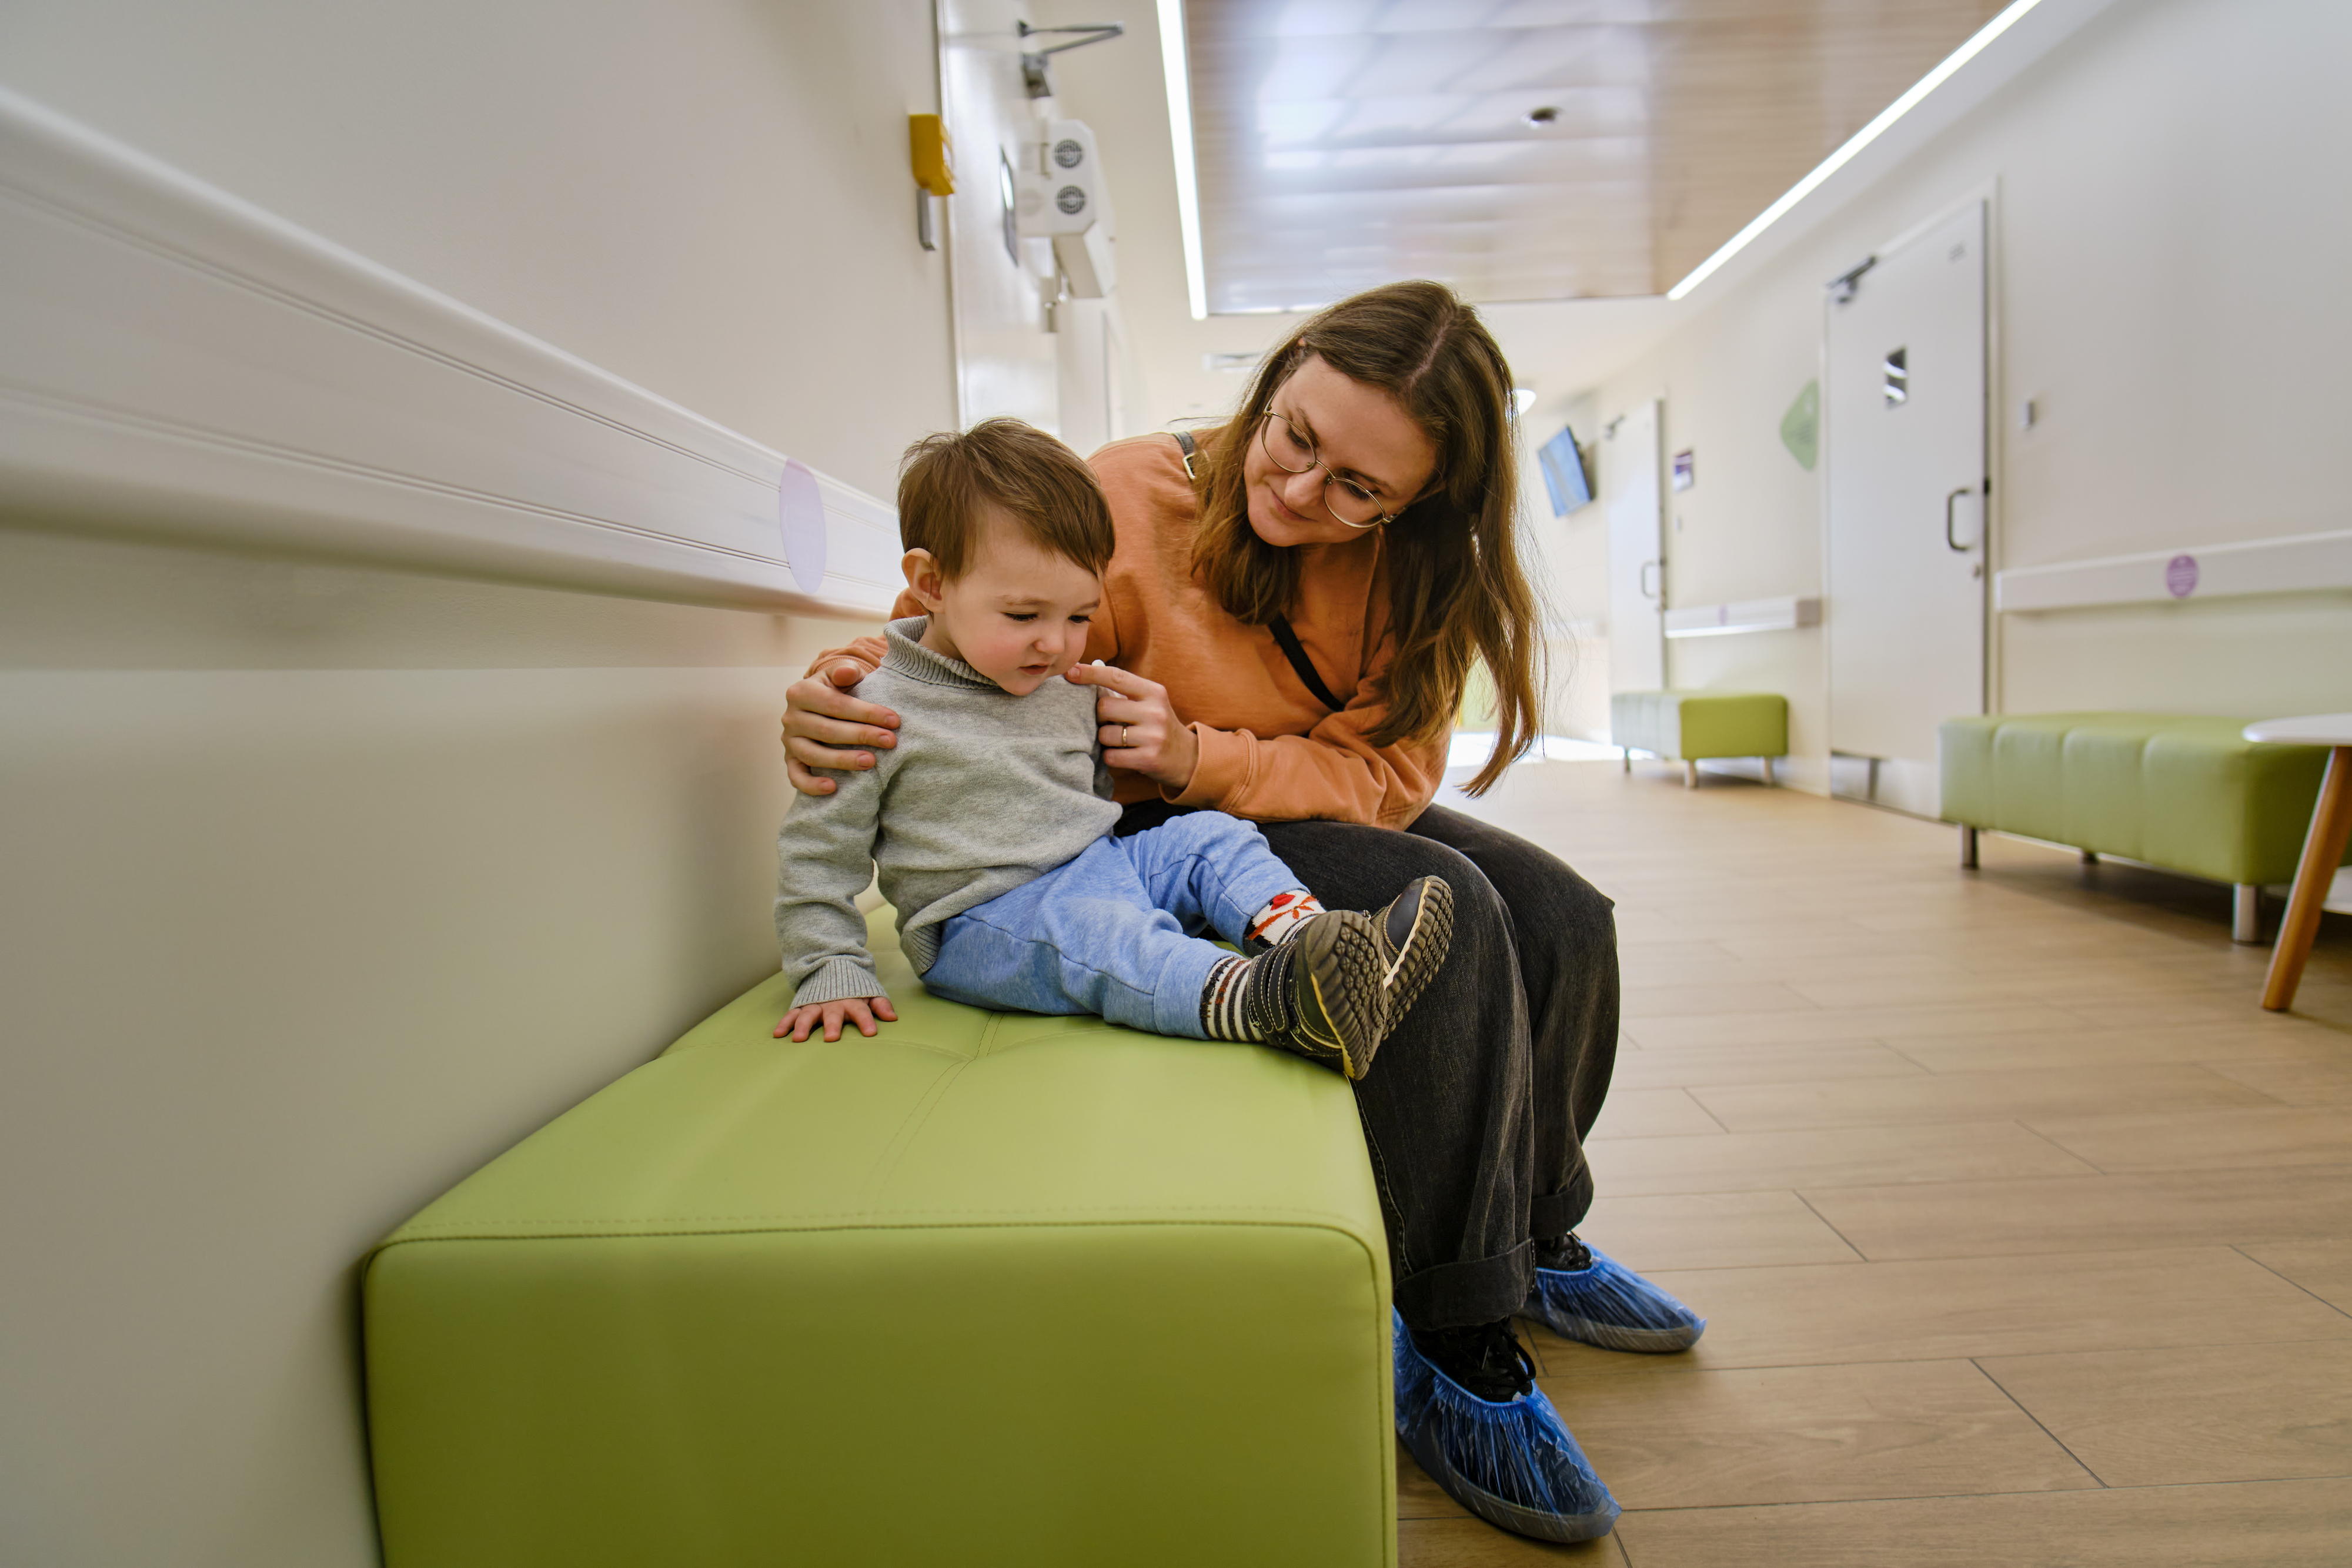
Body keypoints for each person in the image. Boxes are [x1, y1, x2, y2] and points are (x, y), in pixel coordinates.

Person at [780, 282, 1704, 1545]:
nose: (1301, 491)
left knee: (1563, 916)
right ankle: (1453, 1332)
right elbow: (962, 643)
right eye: (1294, 438)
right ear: (1277, 380)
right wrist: (838, 691)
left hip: (1255, 786)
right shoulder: (1123, 493)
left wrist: (1206, 750)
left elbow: (1379, 781)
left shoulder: (1419, 579)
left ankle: (1539, 1229)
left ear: (1419, 501)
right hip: (1139, 823)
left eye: (1358, 491)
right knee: (1462, 909)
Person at [773, 417, 1453, 1082]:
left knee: (1211, 837)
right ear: (931, 584)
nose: (1058, 643)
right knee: (1110, 938)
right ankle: (1273, 1004)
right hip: (984, 922)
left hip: (1096, 863)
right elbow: (818, 856)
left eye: (1078, 616)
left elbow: (1093, 800)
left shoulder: (1064, 682)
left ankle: (1316, 947)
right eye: (1023, 616)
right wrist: (828, 964)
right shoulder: (873, 711)